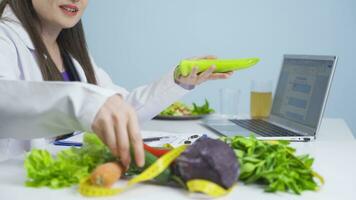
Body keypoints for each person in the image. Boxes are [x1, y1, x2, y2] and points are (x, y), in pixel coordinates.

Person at [0, 0, 233, 167]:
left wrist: (177, 81)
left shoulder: (71, 54)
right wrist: (84, 103)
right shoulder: (4, 37)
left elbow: (121, 109)